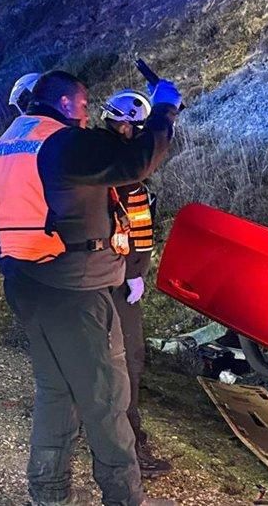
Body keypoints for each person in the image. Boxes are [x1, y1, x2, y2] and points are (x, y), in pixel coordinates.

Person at [0, 70, 181, 506]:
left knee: (56, 392)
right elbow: (135, 162)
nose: (87, 114)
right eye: (83, 105)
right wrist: (165, 109)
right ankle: (123, 498)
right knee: (107, 401)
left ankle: (48, 493)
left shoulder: (8, 145)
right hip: (75, 290)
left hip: (31, 284)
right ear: (66, 104)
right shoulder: (60, 142)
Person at [101, 90, 174, 479]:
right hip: (115, 278)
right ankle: (127, 446)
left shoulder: (98, 159)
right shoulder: (123, 171)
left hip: (107, 276)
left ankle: (108, 433)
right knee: (127, 358)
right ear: (127, 126)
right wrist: (134, 273)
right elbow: (132, 232)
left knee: (110, 357)